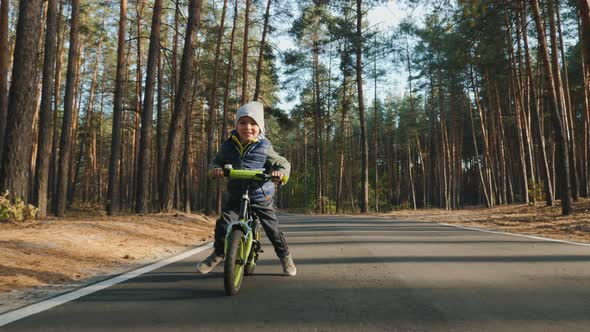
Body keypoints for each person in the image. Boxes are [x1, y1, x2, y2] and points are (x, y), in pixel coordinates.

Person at [197, 101, 297, 276]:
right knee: (224, 223)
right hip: (236, 195)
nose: (248, 128)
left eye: (253, 123)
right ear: (236, 125)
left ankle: (285, 257)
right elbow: (216, 161)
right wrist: (215, 170)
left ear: (260, 127)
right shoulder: (228, 146)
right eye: (242, 122)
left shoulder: (264, 146)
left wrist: (280, 174)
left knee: (272, 229)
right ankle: (219, 253)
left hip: (260, 195)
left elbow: (282, 163)